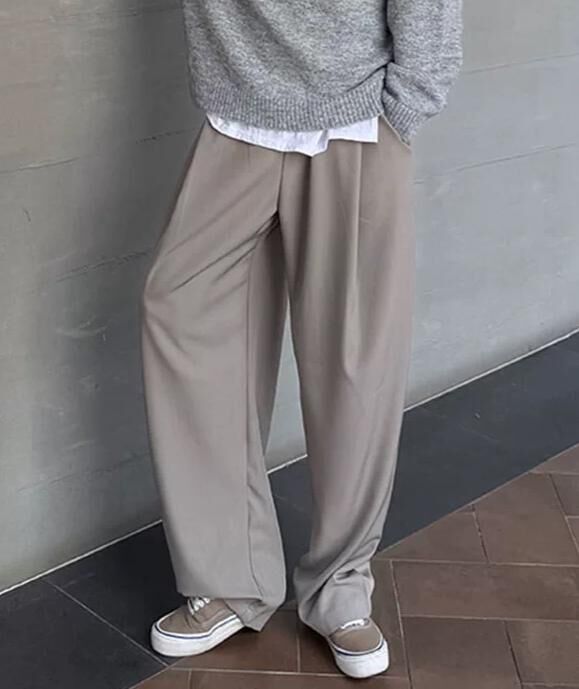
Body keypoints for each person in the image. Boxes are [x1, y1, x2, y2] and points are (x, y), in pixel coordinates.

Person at [140, 0, 462, 679]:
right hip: (233, 119)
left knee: (354, 361)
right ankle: (229, 577)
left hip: (356, 120)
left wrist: (401, 109)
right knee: (181, 313)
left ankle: (341, 587)